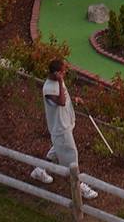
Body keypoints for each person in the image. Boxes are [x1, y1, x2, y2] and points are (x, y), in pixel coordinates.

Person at [31, 58, 97, 199]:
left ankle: (39, 170)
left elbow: (64, 98)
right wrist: (61, 82)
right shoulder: (48, 89)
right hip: (61, 129)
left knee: (56, 151)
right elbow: (60, 102)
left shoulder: (58, 82)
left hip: (66, 124)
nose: (65, 73)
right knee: (71, 157)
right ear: (56, 73)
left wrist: (74, 100)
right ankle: (78, 187)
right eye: (62, 72)